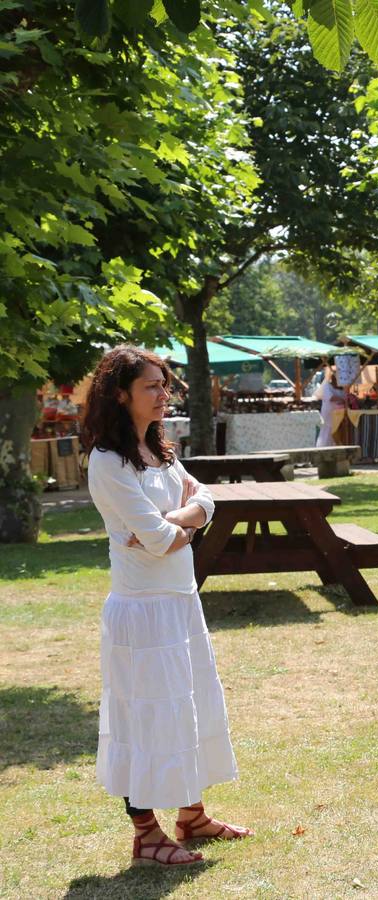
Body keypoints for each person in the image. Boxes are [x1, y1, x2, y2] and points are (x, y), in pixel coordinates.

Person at [81, 346, 251, 868]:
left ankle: (192, 815)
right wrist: (184, 519)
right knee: (146, 719)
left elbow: (202, 503)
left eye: (164, 384)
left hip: (180, 605)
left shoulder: (163, 452)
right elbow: (158, 539)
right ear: (120, 394)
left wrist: (183, 517)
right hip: (141, 613)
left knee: (190, 706)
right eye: (151, 386)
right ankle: (145, 835)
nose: (163, 393)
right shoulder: (108, 463)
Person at [314, 368, 351, 447]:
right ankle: (323, 449)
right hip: (328, 414)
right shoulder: (327, 386)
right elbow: (330, 398)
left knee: (337, 432)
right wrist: (342, 400)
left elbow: (346, 398)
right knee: (327, 432)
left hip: (338, 415)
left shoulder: (342, 389)